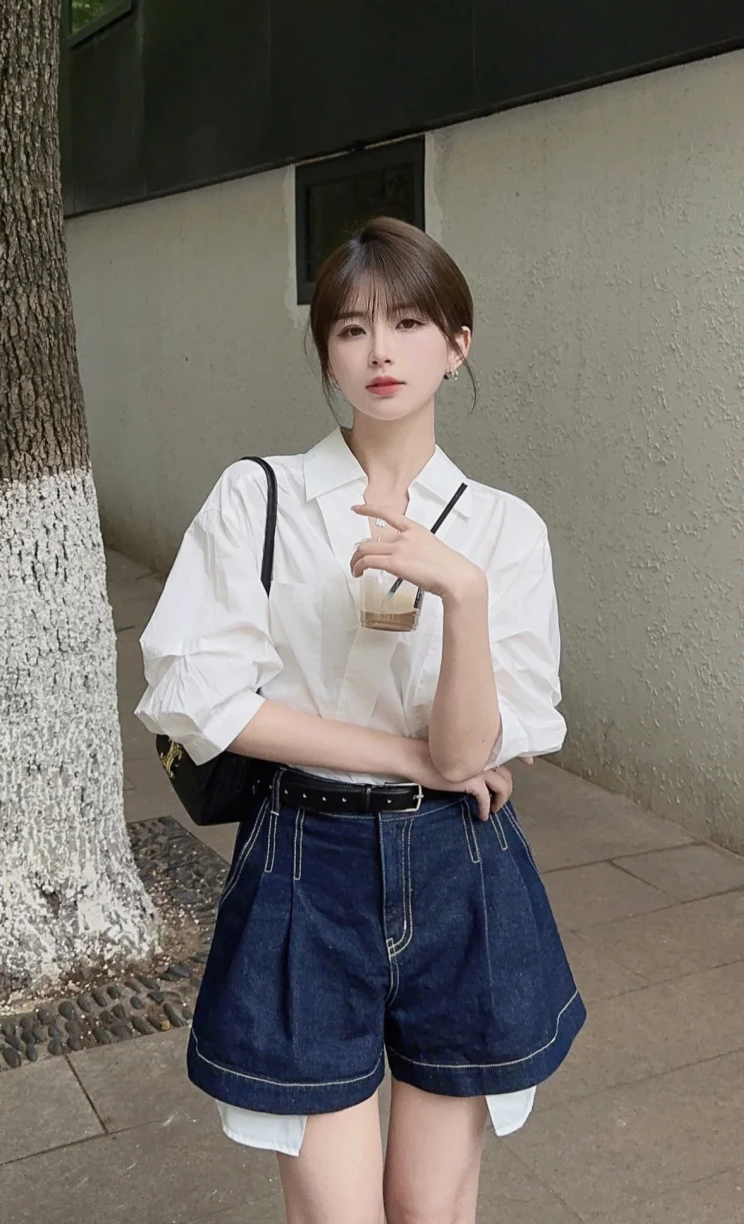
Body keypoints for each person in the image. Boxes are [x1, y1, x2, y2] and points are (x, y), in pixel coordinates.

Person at [135, 217, 586, 1224]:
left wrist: (462, 594)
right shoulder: (259, 498)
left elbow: (468, 755)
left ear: (457, 344)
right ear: (328, 353)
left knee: (431, 1209)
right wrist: (407, 758)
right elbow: (201, 697)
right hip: (306, 859)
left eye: (410, 323)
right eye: (351, 328)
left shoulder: (503, 530)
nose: (381, 350)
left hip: (460, 866)